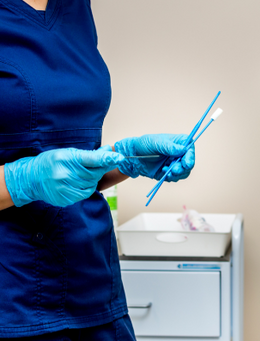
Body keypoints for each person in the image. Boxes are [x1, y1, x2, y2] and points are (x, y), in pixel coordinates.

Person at [0, 0, 195, 339]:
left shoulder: (76, 7)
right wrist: (24, 180)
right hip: (13, 300)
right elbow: (44, 173)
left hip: (94, 285)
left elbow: (68, 170)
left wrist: (126, 160)